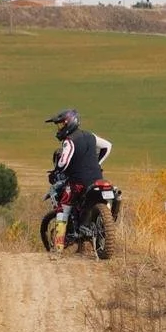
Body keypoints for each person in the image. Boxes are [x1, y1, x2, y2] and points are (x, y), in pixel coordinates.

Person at [44, 108, 113, 253]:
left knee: (63, 207)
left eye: (61, 124)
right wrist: (97, 163)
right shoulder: (90, 136)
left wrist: (55, 173)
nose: (60, 128)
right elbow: (107, 146)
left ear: (69, 123)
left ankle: (58, 246)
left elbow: (63, 163)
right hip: (96, 179)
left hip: (78, 182)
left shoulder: (69, 141)